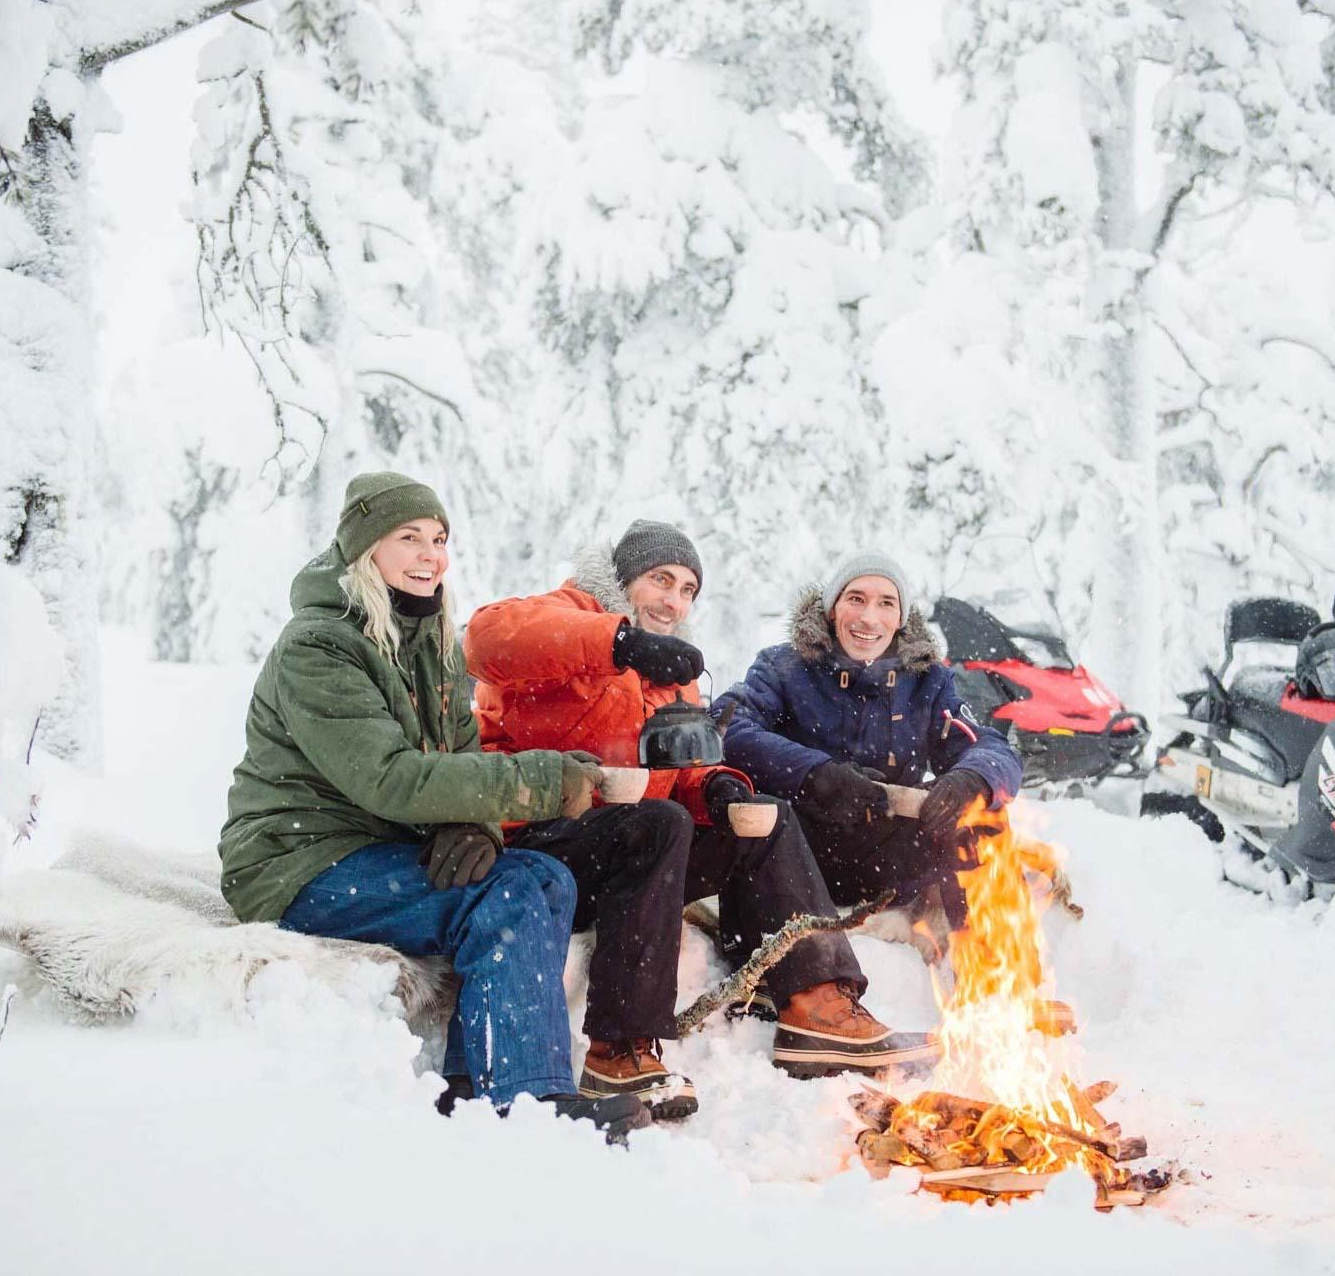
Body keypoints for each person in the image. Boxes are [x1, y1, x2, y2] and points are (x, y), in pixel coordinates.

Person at [218, 471, 645, 1137]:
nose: (430, 555)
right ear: (366, 550)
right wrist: (546, 779)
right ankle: (527, 1102)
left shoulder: (431, 636)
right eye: (409, 538)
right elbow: (388, 779)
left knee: (545, 877)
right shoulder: (319, 645)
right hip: (298, 863)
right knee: (501, 897)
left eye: (439, 538)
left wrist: (477, 825)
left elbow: (461, 754)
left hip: (376, 848)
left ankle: (478, 1086)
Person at [463, 520, 937, 1116]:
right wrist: (617, 642)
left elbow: (682, 770)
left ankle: (817, 1006)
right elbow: (484, 639)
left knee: (765, 817)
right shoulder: (567, 615)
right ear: (623, 578)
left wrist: (719, 790)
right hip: (539, 845)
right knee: (658, 823)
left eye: (688, 589)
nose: (674, 600)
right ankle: (619, 1048)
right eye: (662, 580)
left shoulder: (671, 673)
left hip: (632, 854)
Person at [715, 550, 1022, 948]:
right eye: (856, 599)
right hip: (797, 852)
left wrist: (969, 778)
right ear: (832, 609)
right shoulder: (783, 666)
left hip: (890, 858)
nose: (868, 618)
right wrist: (817, 774)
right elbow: (727, 725)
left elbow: (990, 748)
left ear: (900, 619)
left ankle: (992, 976)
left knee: (984, 814)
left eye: (886, 603)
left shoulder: (929, 680)